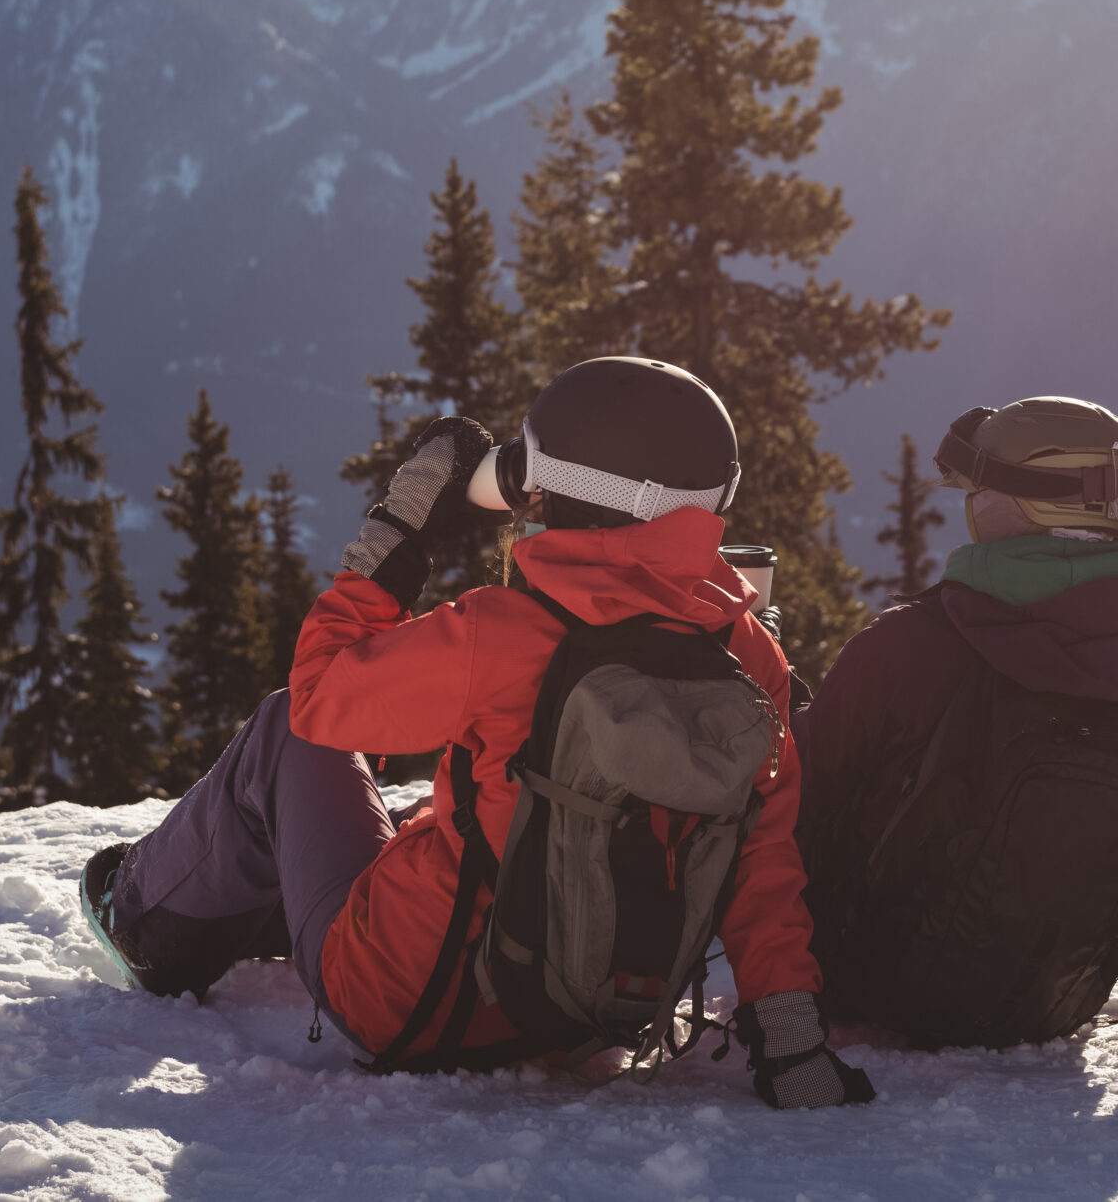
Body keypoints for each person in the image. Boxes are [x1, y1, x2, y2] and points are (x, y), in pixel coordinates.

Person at [78, 356, 873, 1108]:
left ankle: (142, 921)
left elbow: (323, 698)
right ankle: (263, 903)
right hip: (578, 1019)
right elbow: (762, 853)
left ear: (566, 493)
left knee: (285, 722)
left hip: (403, 1004)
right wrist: (792, 1039)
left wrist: (395, 531)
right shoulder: (747, 653)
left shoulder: (501, 632)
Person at [796, 396, 1118, 1078]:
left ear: (1010, 506)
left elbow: (796, 808)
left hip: (872, 987)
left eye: (980, 489)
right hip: (1057, 1002)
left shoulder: (905, 645)